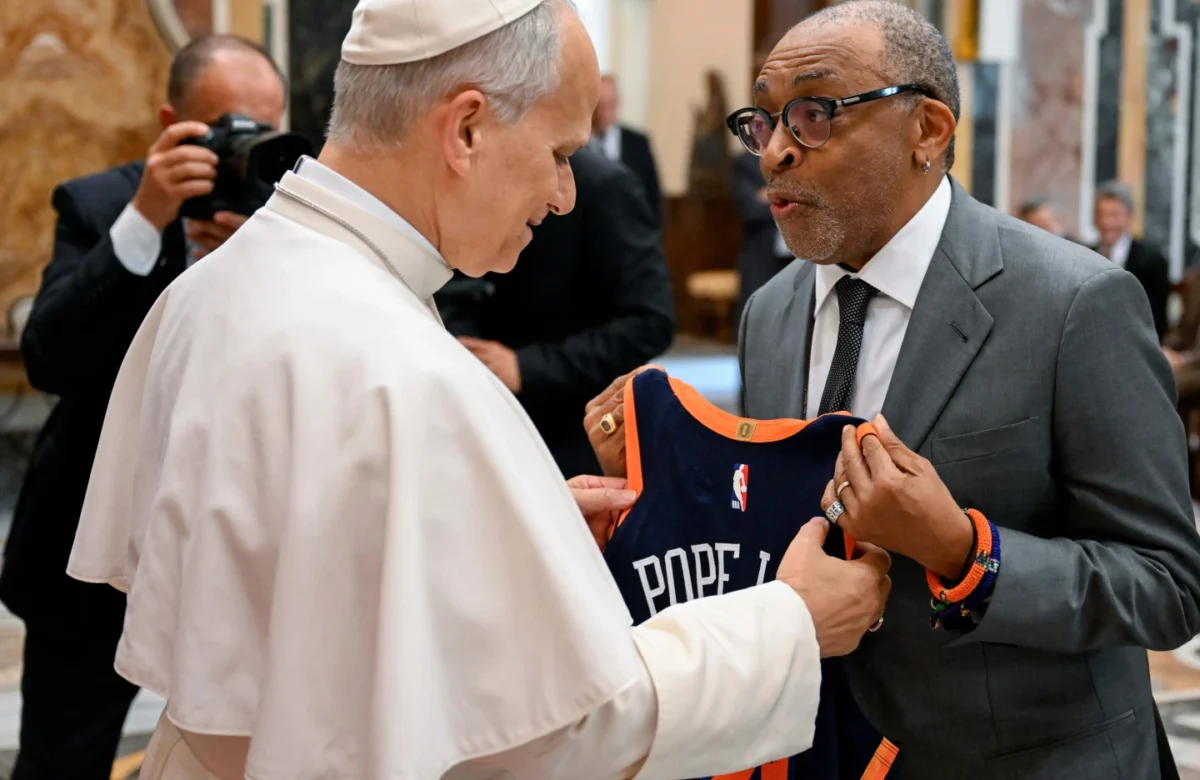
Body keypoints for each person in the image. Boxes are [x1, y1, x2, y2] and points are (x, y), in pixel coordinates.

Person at [65, 1, 892, 778]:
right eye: (560, 153)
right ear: (464, 128)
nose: (565, 194)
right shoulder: (408, 373)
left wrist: (503, 522)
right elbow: (562, 732)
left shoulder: (209, 289)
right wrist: (790, 625)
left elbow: (306, 583)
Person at [588, 2, 1200, 777]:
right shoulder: (771, 315)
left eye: (814, 114)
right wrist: (661, 482)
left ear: (929, 130)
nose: (773, 152)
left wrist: (964, 550)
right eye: (763, 122)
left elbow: (1168, 585)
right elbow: (777, 529)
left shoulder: (1075, 303)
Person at [0, 34, 285, 780]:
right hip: (91, 551)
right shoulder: (101, 205)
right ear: (172, 119)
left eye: (268, 127)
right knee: (63, 759)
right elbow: (49, 358)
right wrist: (145, 219)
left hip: (238, 543)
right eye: (229, 129)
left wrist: (271, 261)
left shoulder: (289, 220)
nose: (245, 151)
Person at [437, 147, 674, 478]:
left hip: (572, 434)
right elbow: (455, 287)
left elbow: (651, 322)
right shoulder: (469, 176)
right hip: (479, 420)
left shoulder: (605, 187)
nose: (563, 196)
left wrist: (528, 367)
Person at [1093, 180, 1170, 339]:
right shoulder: (1086, 254)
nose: (1106, 223)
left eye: (1114, 215)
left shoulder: (1152, 261)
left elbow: (1157, 319)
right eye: (1101, 215)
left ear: (1129, 217)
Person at [732, 151, 792, 327]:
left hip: (802, 257)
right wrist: (787, 196)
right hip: (762, 254)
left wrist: (770, 195)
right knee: (756, 317)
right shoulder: (746, 162)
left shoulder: (800, 156)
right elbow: (750, 210)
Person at [591, 74, 662, 224]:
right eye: (600, 106)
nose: (604, 114)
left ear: (618, 102)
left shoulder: (638, 143)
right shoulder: (577, 145)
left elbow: (652, 196)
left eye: (610, 106)